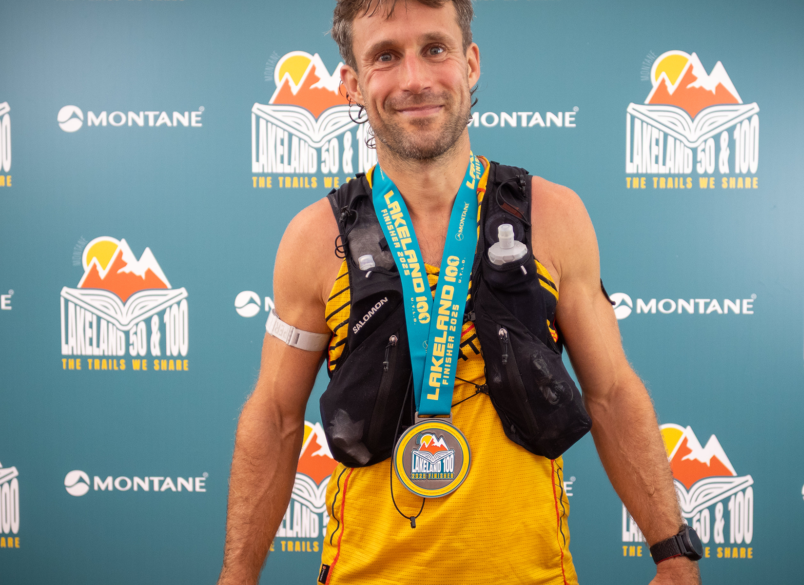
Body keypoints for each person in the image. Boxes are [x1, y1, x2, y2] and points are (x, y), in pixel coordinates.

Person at [219, 1, 701, 583]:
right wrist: (237, 576)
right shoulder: (316, 238)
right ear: (351, 84)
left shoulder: (552, 215)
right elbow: (274, 416)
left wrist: (672, 552)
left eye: (435, 49)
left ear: (470, 63)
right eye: (386, 56)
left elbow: (612, 394)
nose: (415, 79)